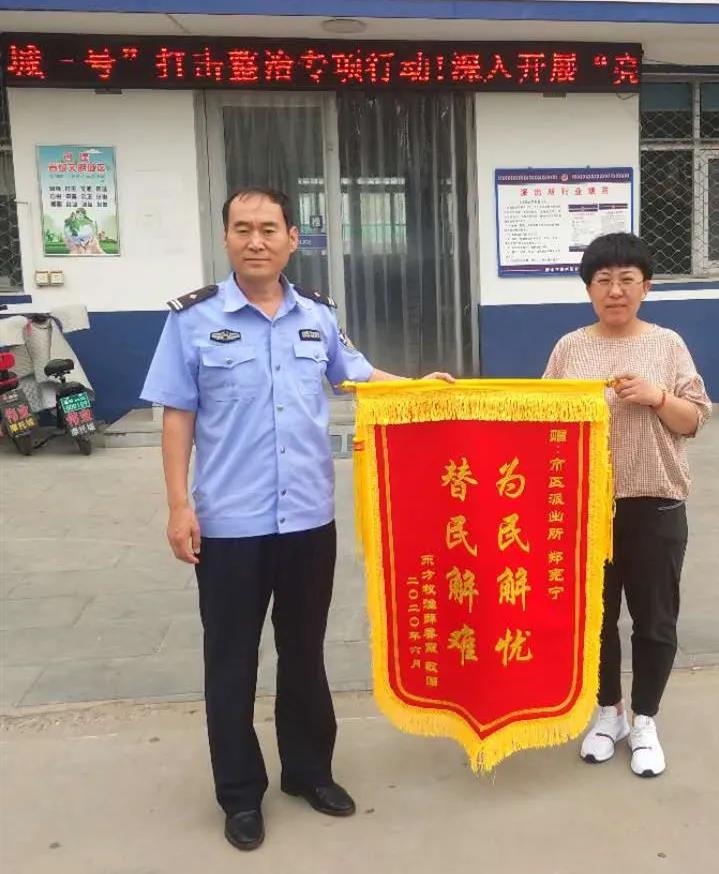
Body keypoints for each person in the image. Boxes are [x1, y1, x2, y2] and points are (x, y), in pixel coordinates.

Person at [141, 187, 452, 851]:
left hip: (308, 518)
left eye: (268, 229)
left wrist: (417, 388)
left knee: (304, 651)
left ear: (291, 239)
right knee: (231, 660)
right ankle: (239, 795)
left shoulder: (317, 314)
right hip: (230, 525)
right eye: (242, 229)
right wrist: (178, 504)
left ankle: (309, 772)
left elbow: (355, 375)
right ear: (226, 238)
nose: (255, 241)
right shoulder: (192, 321)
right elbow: (177, 414)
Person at [543, 232, 711, 778]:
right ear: (589, 289)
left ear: (646, 287)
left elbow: (695, 419)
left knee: (655, 620)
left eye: (626, 280)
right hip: (585, 506)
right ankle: (608, 712)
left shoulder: (667, 345)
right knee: (594, 620)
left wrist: (657, 397)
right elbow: (542, 417)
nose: (615, 291)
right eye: (603, 280)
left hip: (655, 503)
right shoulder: (570, 348)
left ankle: (645, 719)